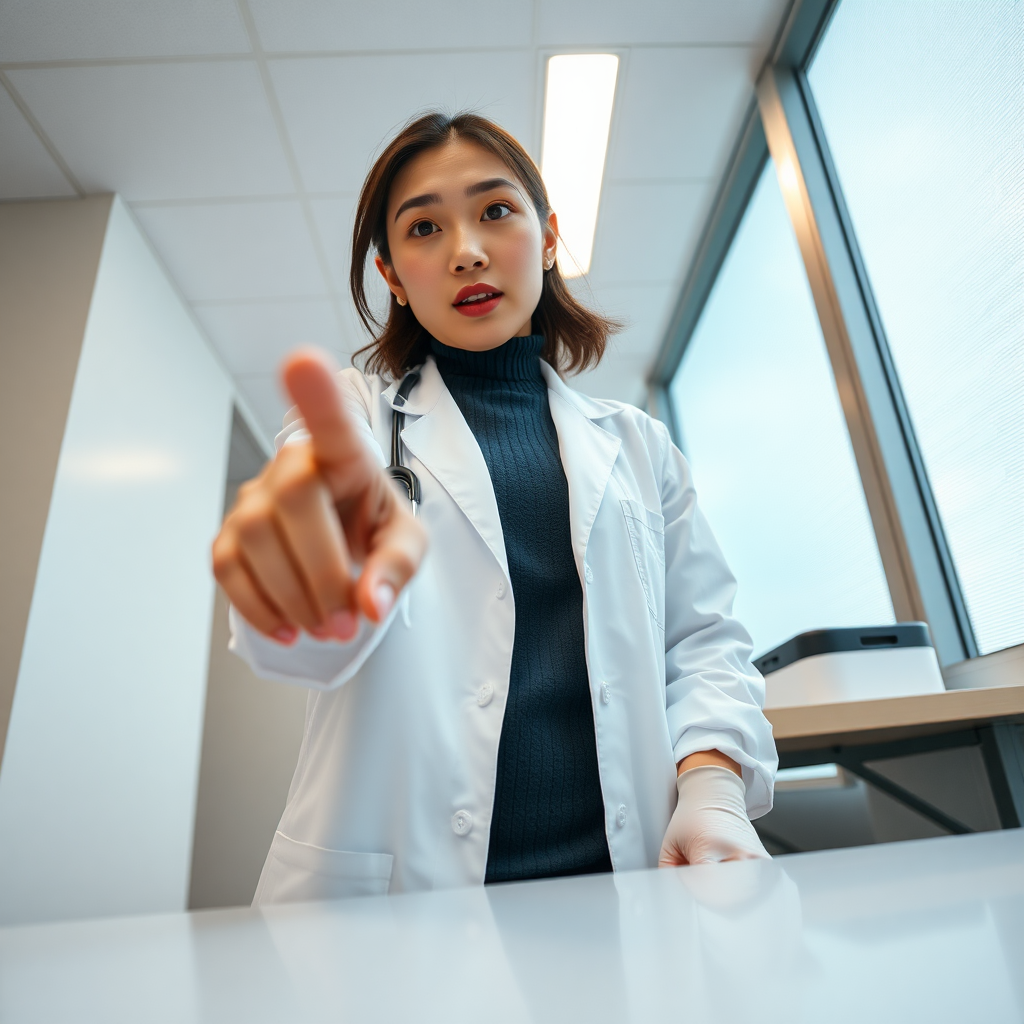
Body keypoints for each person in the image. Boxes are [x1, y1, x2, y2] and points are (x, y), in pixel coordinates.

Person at [212, 111, 776, 904]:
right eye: (423, 227)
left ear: (548, 236)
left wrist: (712, 787)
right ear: (393, 276)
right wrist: (309, 574)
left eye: (495, 211)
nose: (466, 249)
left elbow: (704, 642)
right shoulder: (349, 422)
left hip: (630, 879)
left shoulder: (639, 447)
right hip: (402, 908)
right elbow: (312, 618)